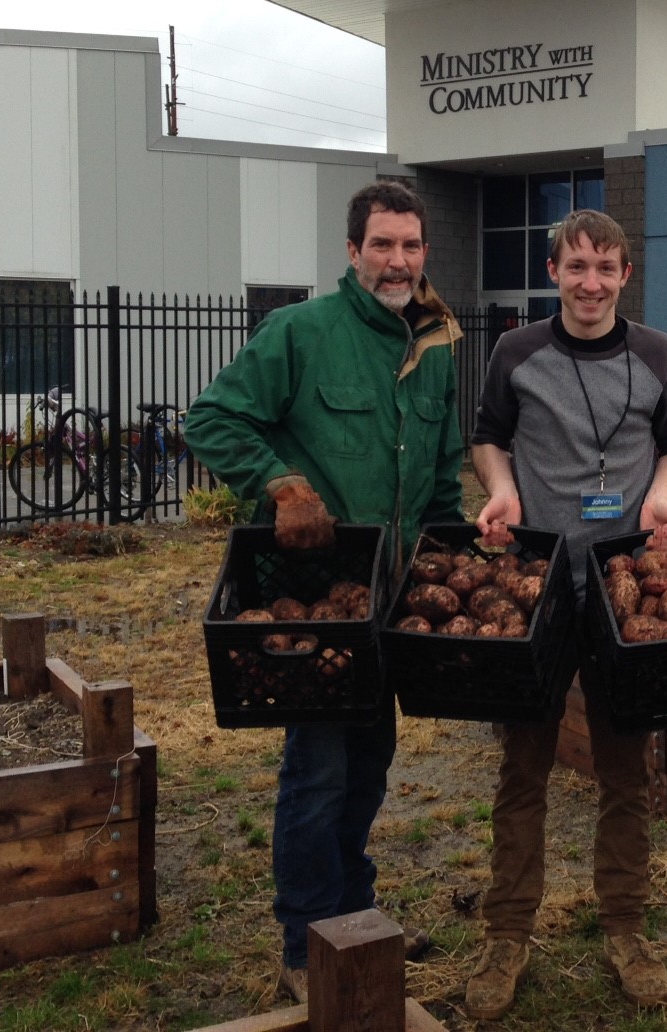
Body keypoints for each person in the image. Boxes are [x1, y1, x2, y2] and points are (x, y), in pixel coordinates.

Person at [184, 179, 464, 1003]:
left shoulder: (437, 342)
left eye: (411, 245)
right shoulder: (300, 333)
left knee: (370, 761)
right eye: (383, 244)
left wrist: (449, 561)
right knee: (319, 768)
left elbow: (438, 477)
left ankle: (353, 911)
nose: (399, 260)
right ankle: (305, 944)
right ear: (352, 251)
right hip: (316, 596)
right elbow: (212, 419)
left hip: (394, 596)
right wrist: (282, 484)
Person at [464, 208, 667, 1019]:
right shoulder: (516, 352)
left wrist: (661, 498)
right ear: (555, 272)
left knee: (625, 773)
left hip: (620, 590)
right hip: (532, 587)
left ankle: (627, 927)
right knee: (521, 769)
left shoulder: (657, 353)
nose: (590, 283)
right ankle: (506, 933)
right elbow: (489, 435)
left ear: (624, 275)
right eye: (575, 267)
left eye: (605, 268)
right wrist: (500, 486)